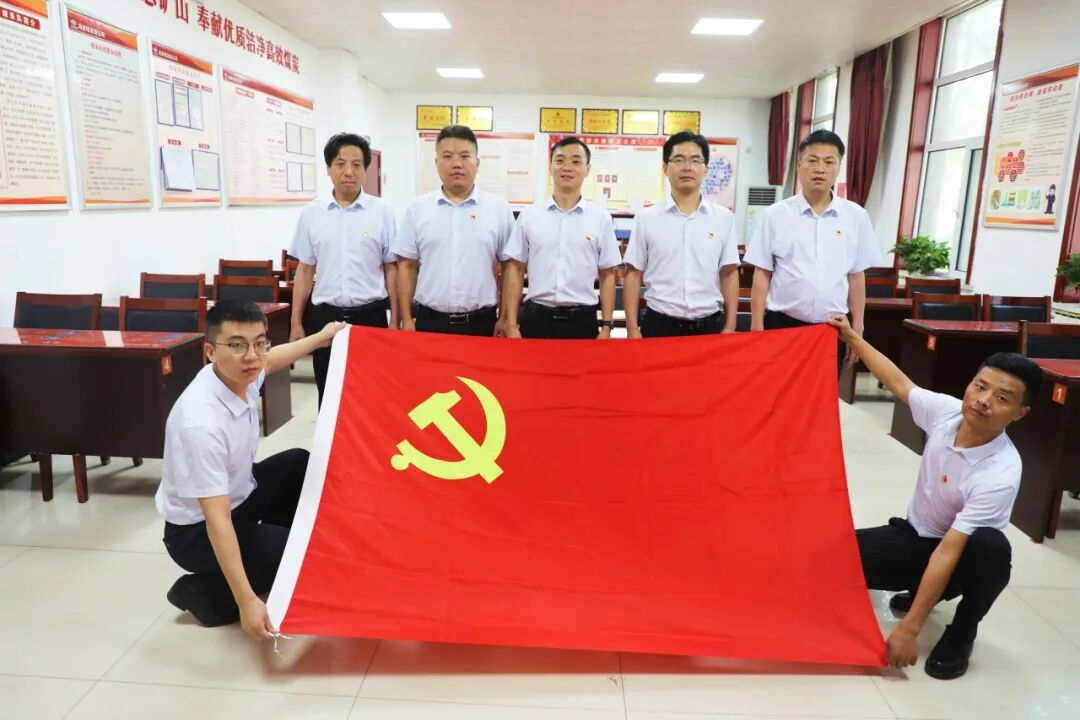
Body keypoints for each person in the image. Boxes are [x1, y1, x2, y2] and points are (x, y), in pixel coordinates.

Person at [829, 314, 1041, 679]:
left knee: (991, 548)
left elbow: (949, 549)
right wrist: (852, 338)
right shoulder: (948, 412)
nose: (983, 401)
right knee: (831, 555)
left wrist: (909, 629)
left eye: (1002, 398)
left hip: (960, 557)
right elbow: (899, 382)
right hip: (915, 538)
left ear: (1020, 413)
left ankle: (962, 633)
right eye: (980, 386)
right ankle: (919, 586)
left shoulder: (1000, 473)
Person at [157, 300, 346, 637]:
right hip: (195, 532)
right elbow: (217, 521)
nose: (252, 356)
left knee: (297, 463)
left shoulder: (238, 374)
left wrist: (321, 338)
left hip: (240, 493)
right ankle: (205, 592)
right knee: (299, 552)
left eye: (259, 343)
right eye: (237, 346)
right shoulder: (201, 423)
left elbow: (271, 360)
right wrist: (246, 601)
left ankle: (275, 553)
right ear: (210, 352)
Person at [745, 130, 880, 373]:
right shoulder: (776, 215)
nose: (820, 169)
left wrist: (858, 328)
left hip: (832, 329)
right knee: (778, 391)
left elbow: (856, 276)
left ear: (838, 168)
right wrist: (756, 327)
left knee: (823, 394)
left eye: (829, 162)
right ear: (799, 165)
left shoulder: (856, 217)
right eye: (813, 160)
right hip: (782, 325)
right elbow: (762, 273)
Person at [288, 132, 398, 407]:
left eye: (356, 164)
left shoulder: (382, 212)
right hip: (325, 319)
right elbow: (305, 270)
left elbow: (391, 269)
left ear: (365, 169)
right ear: (328, 169)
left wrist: (396, 318)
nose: (348, 171)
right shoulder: (312, 213)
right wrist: (296, 322)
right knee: (329, 396)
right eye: (340, 164)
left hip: (370, 317)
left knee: (372, 395)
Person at [393, 125, 515, 336]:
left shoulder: (498, 209)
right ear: (436, 163)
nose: (457, 164)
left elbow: (509, 268)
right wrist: (406, 318)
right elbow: (406, 266)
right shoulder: (417, 209)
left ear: (477, 163)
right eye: (447, 156)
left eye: (465, 156)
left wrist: (504, 318)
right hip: (430, 323)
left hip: (481, 323)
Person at [500, 137, 621, 339]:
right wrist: (511, 324)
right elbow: (515, 269)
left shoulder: (601, 218)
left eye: (576, 161)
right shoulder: (529, 216)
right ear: (550, 167)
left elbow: (607, 274)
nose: (567, 167)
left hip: (582, 321)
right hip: (536, 319)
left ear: (587, 169)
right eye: (560, 160)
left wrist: (607, 327)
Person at [623, 131, 740, 338]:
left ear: (705, 169)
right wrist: (632, 329)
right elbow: (633, 274)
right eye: (678, 160)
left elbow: (729, 273)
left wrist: (730, 327)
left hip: (709, 327)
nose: (687, 167)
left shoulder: (724, 218)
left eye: (695, 160)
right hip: (659, 326)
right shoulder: (646, 218)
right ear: (665, 168)